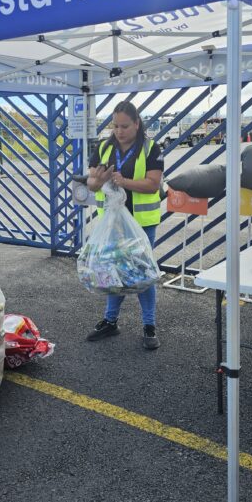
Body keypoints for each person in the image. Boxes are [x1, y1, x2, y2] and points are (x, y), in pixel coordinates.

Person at [85, 101, 164, 349]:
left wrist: (124, 181)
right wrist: (97, 181)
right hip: (112, 224)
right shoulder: (103, 148)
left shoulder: (151, 148)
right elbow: (91, 184)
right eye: (115, 126)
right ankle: (110, 321)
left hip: (140, 224)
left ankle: (149, 325)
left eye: (125, 126)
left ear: (137, 124)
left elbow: (153, 184)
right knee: (112, 271)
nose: (119, 131)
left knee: (142, 274)